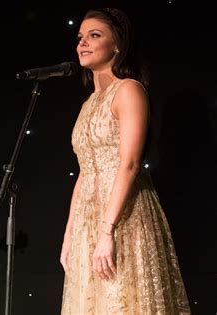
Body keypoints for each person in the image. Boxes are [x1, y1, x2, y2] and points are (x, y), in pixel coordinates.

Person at [59, 8, 191, 314]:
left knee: (125, 298)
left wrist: (107, 230)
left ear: (117, 44)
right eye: (80, 37)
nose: (83, 43)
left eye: (94, 35)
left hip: (122, 214)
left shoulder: (129, 90)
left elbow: (129, 164)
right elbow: (84, 171)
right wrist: (69, 235)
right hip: (87, 218)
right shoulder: (88, 104)